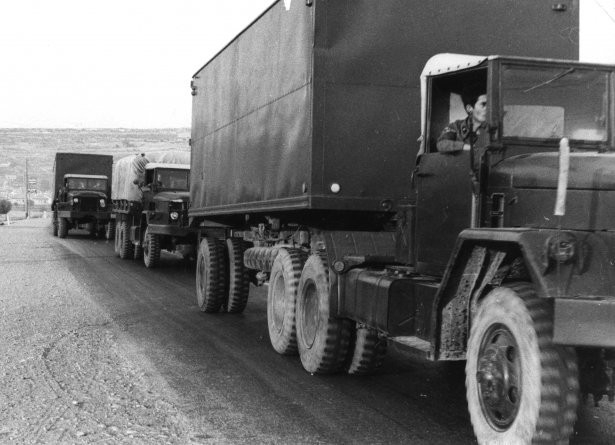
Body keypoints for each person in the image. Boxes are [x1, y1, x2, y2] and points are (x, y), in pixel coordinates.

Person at [437, 84, 488, 170]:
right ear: (469, 108)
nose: (488, 108)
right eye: (483, 104)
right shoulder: (456, 126)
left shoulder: (493, 129)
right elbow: (442, 144)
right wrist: (465, 147)